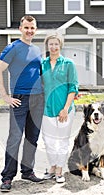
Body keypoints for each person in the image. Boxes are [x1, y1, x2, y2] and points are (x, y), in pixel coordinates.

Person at [0, 15, 44, 192]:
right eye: (27, 27)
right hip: (19, 99)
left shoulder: (37, 50)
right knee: (14, 138)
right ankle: (7, 178)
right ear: (21, 28)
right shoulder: (13, 48)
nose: (30, 31)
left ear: (35, 29)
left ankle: (27, 171)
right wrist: (5, 96)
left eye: (32, 28)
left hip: (38, 99)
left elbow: (41, 74)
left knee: (32, 138)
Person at [41, 33, 79, 183]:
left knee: (62, 140)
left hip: (65, 109)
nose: (54, 47)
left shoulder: (68, 64)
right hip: (46, 109)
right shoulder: (42, 64)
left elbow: (73, 87)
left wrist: (65, 108)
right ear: (47, 46)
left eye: (56, 44)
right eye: (51, 44)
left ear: (60, 45)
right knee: (48, 141)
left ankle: (59, 170)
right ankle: (52, 166)